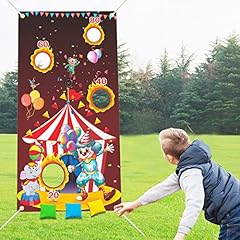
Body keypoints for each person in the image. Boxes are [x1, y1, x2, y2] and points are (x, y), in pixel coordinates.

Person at [114, 128, 240, 240]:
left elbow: (194, 203)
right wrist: (134, 204)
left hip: (234, 213)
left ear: (169, 157)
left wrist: (180, 235)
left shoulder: (190, 173)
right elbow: (163, 188)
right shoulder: (195, 161)